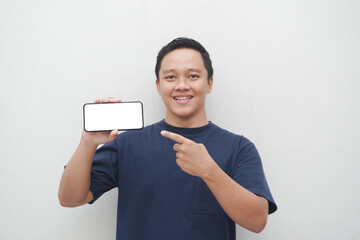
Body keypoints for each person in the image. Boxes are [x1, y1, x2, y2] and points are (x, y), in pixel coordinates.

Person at [58, 37, 277, 240]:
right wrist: (87, 143)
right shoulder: (127, 144)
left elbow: (257, 221)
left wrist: (209, 170)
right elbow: (70, 198)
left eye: (193, 76)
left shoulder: (239, 148)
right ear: (158, 86)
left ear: (209, 84)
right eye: (171, 77)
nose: (181, 85)